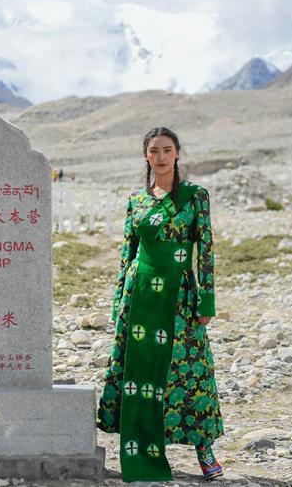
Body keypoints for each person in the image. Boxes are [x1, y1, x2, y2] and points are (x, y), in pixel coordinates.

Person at [96, 126, 224, 482]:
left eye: (167, 149)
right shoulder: (136, 201)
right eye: (154, 151)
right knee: (137, 371)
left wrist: (206, 300)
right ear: (146, 156)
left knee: (191, 369)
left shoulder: (195, 197)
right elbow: (128, 251)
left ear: (177, 153)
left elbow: (206, 250)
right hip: (139, 293)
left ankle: (204, 449)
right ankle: (139, 446)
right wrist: (119, 300)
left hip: (179, 294)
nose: (161, 156)